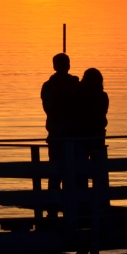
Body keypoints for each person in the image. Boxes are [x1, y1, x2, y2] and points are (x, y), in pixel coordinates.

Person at [40, 53, 80, 209]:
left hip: (72, 137)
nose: (66, 66)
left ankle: (71, 205)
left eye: (67, 63)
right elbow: (50, 109)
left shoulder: (74, 84)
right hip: (58, 136)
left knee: (71, 172)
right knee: (56, 172)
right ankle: (53, 206)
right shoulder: (50, 87)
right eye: (64, 63)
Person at [77, 68, 109, 155]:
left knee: (82, 161)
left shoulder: (80, 96)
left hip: (81, 134)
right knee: (98, 162)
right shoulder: (103, 96)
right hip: (98, 134)